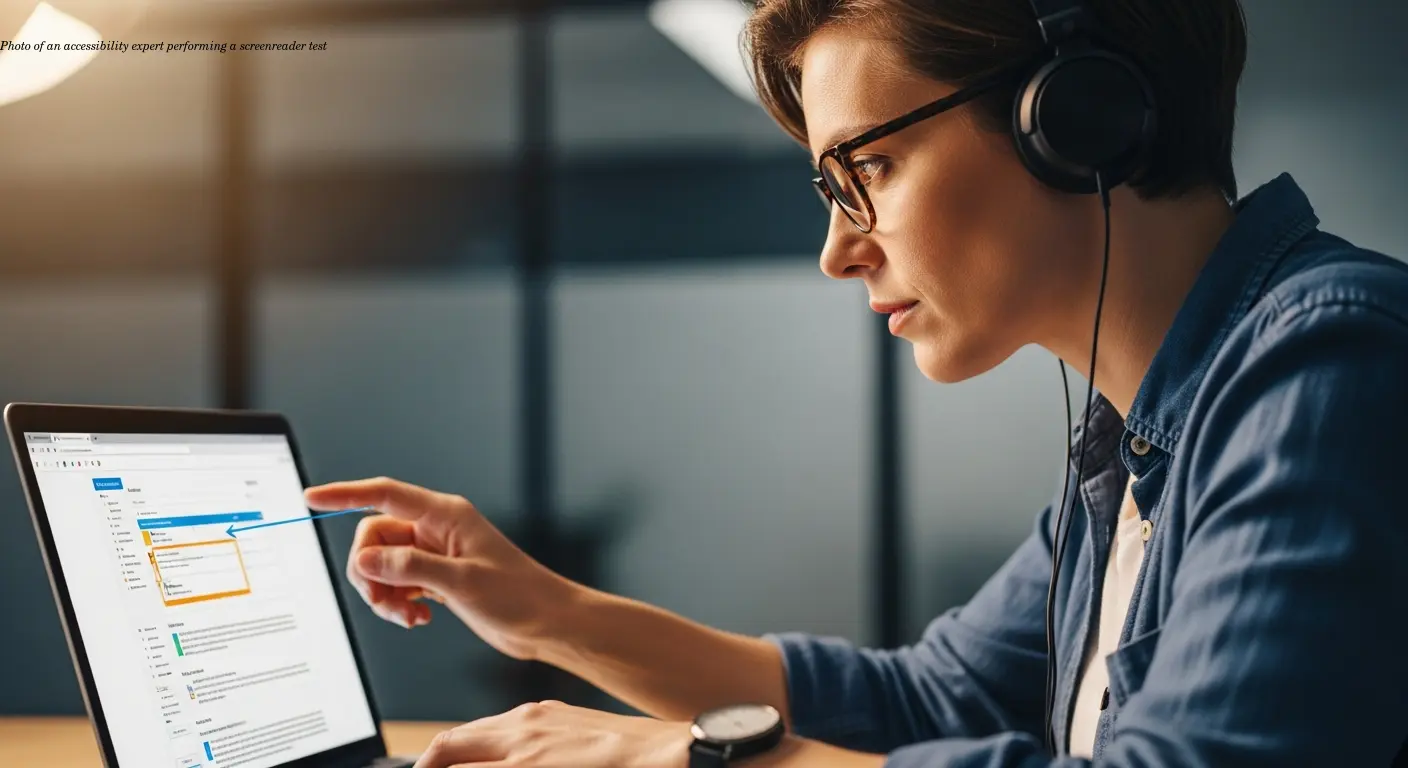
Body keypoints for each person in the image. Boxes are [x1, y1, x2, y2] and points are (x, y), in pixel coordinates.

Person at [304, 0, 1408, 765]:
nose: (838, 250)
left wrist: (688, 759)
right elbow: (918, 702)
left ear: (1072, 120)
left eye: (862, 171)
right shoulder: (1133, 446)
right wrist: (547, 615)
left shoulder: (1328, 363)